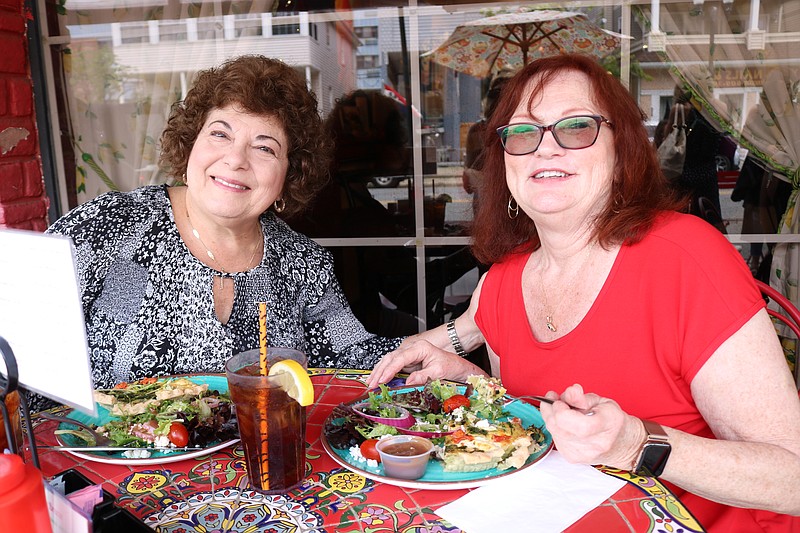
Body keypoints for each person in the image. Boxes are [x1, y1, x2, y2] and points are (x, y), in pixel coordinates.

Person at [368, 54, 800, 530]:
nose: (545, 149)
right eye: (523, 132)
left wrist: (638, 444)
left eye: (576, 128)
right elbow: (528, 425)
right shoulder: (504, 279)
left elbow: (792, 479)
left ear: (622, 157)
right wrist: (469, 378)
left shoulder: (686, 258)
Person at [30, 55, 401, 412]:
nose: (236, 159)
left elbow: (354, 357)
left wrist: (459, 331)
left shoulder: (302, 262)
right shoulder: (108, 227)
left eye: (264, 147)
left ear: (290, 173)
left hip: (259, 469)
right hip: (104, 469)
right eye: (220, 134)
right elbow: (20, 353)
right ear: (191, 142)